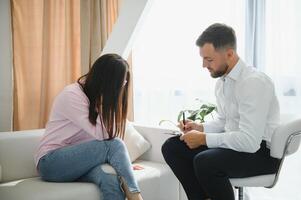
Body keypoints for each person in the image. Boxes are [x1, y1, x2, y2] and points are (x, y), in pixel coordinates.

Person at [161, 23, 281, 200]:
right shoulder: (222, 83)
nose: (203, 65)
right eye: (203, 59)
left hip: (261, 154)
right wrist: (200, 128)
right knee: (172, 147)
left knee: (205, 162)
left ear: (230, 54)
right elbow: (225, 121)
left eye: (209, 60)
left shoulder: (254, 83)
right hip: (238, 146)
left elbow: (249, 142)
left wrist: (204, 139)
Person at [35, 54, 143, 200]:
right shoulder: (72, 95)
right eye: (121, 83)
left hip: (77, 163)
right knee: (115, 144)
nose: (121, 88)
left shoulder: (97, 98)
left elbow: (103, 139)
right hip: (51, 163)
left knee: (110, 179)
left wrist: (123, 165)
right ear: (107, 80)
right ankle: (136, 197)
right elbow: (104, 138)